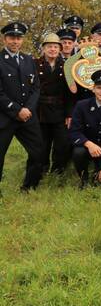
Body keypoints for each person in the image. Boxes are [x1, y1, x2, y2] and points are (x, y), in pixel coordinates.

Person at [0, 21, 44, 192]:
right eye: (12, 37)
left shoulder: (28, 60)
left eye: (18, 38)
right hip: (5, 116)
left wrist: (27, 110)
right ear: (5, 39)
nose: (15, 41)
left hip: (27, 116)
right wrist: (17, 110)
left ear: (22, 40)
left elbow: (35, 88)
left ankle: (29, 186)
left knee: (38, 151)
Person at [36, 32, 74, 175]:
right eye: (49, 46)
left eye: (55, 47)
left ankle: (58, 170)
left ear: (60, 49)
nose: (52, 49)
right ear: (44, 48)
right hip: (41, 110)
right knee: (42, 142)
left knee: (61, 143)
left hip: (60, 110)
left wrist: (69, 114)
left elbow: (70, 94)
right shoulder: (35, 64)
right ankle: (42, 168)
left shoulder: (66, 66)